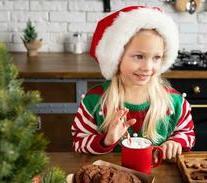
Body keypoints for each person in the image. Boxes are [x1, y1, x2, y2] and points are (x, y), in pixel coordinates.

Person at [71, 5, 195, 161]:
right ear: (116, 57)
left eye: (156, 58)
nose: (148, 67)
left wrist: (175, 142)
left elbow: (187, 134)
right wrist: (106, 140)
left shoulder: (174, 102)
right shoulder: (94, 101)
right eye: (139, 56)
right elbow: (79, 142)